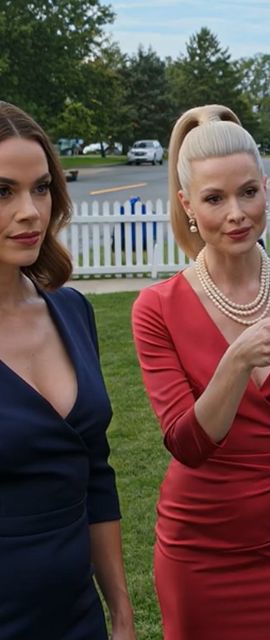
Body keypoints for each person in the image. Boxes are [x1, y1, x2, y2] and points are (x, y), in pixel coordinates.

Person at [131, 104, 270, 640]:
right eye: (214, 198)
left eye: (248, 192)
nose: (237, 213)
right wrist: (238, 359)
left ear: (266, 189)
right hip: (197, 550)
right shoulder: (157, 308)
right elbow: (187, 443)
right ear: (187, 204)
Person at [0, 101, 136, 639]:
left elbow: (95, 472)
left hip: (79, 617)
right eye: (3, 192)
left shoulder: (72, 310)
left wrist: (120, 612)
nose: (31, 212)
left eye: (41, 188)